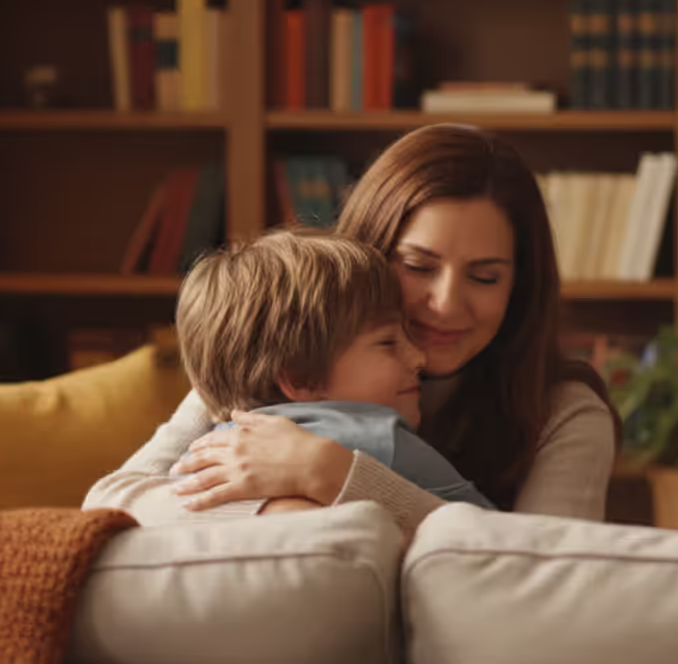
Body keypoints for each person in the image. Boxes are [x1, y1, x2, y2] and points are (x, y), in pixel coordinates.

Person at [82, 124, 618, 533]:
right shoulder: (278, 362)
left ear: (519, 288)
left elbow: (544, 574)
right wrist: (282, 514)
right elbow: (110, 505)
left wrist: (331, 475)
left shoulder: (566, 411)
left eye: (484, 276)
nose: (446, 303)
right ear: (370, 253)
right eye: (418, 266)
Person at [171, 227, 493, 511]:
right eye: (387, 343)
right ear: (301, 379)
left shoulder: (202, 453)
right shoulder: (382, 438)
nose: (418, 358)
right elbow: (496, 541)